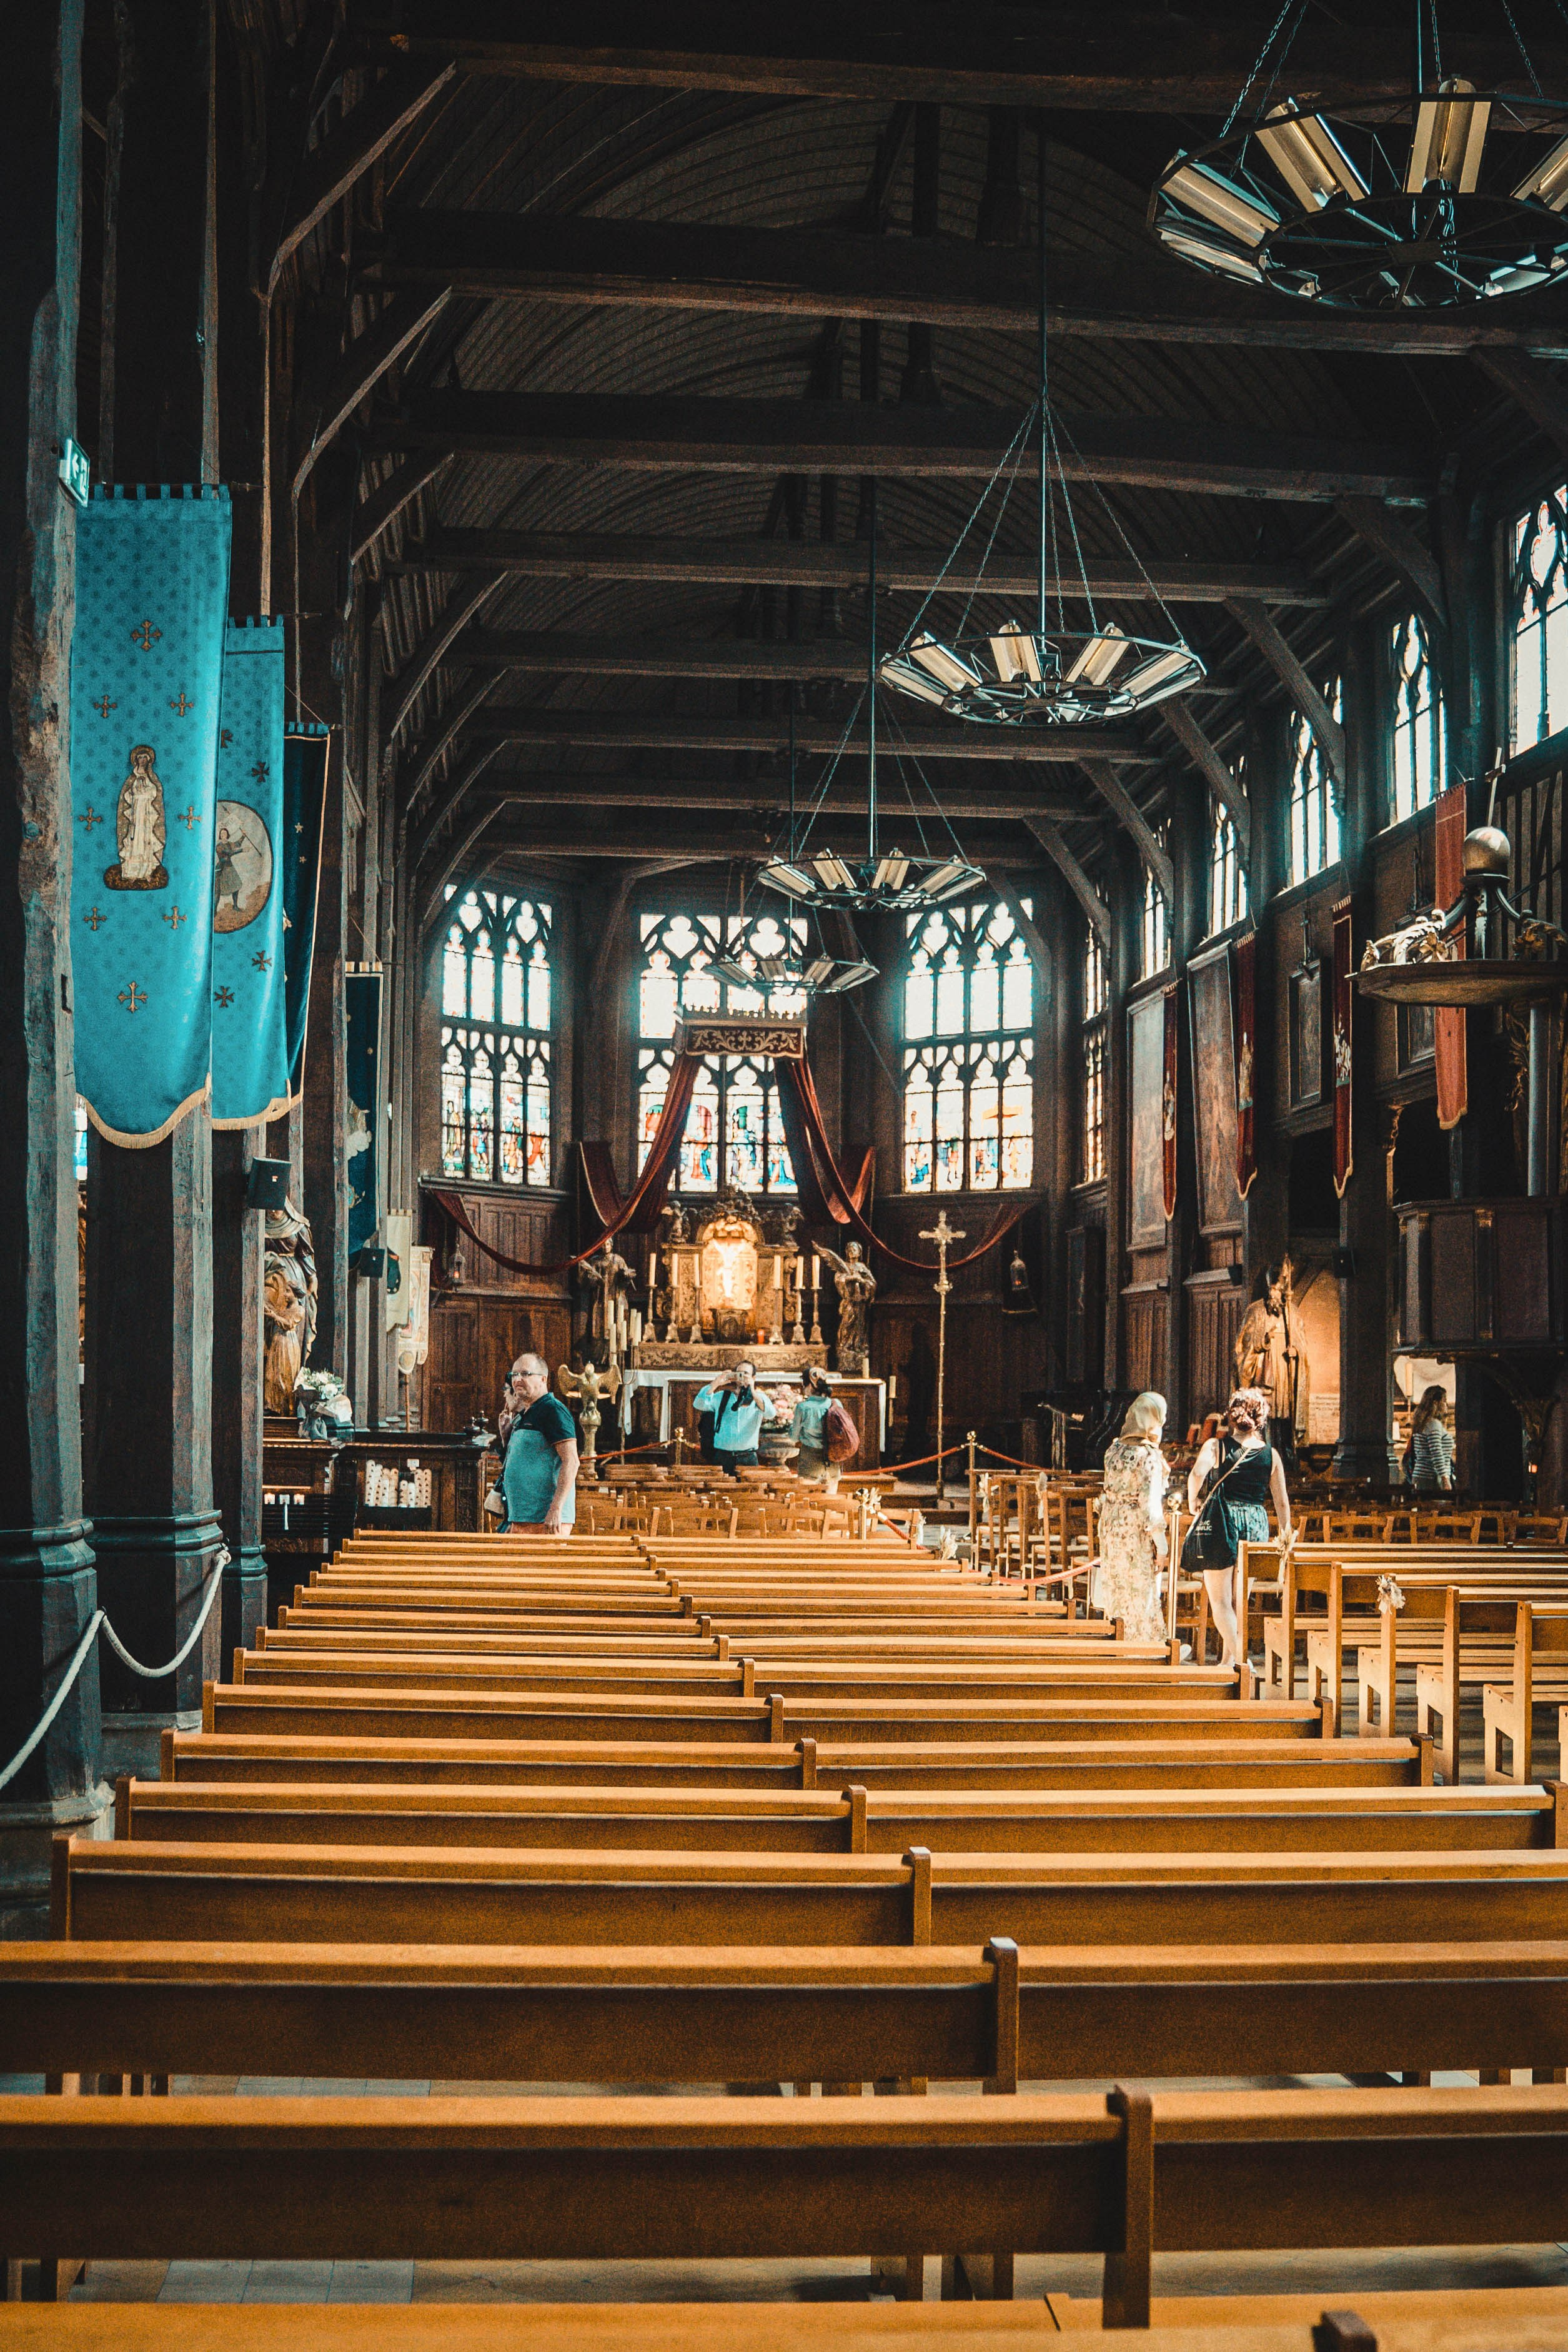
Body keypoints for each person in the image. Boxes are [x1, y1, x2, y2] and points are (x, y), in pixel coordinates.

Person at [1186, 1386, 1293, 1672]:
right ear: (1261, 1420)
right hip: (1256, 1523)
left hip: (1223, 1520)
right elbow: (1281, 1503)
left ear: (1231, 1418)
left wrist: (1193, 1501)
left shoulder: (1215, 1447)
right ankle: (1227, 1661)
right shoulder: (1272, 1455)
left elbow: (1197, 1474)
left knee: (1220, 1602)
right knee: (1238, 1601)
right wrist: (1285, 1538)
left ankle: (1243, 1662)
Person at [1095, 1392, 1170, 1644]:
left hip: (1111, 1526)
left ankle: (1119, 1644)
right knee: (1142, 1593)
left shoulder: (1113, 1450)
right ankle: (1145, 1648)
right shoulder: (1149, 1457)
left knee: (1117, 1591)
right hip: (1135, 1531)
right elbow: (1150, 1506)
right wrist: (1162, 1546)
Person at [499, 1352, 580, 1533]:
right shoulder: (528, 1412)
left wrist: (556, 1509)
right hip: (522, 1517)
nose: (518, 1379)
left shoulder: (553, 1410)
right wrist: (507, 1437)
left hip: (545, 1520)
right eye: (514, 1375)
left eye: (525, 1374)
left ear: (543, 1379)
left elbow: (572, 1461)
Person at [691, 1361, 778, 1470]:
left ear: (753, 1378)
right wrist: (715, 1383)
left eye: (745, 1373)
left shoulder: (759, 1398)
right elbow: (698, 1404)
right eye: (738, 1373)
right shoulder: (722, 1396)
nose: (741, 1377)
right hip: (722, 1456)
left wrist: (752, 1390)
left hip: (748, 1457)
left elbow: (771, 1414)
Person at [789, 1367, 836, 1486]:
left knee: (809, 1500)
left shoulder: (803, 1407)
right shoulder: (836, 1404)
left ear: (810, 1386)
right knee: (831, 1501)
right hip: (833, 1459)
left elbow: (794, 1438)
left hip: (810, 1460)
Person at [1410, 1384, 1456, 1493]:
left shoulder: (1424, 1422)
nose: (1446, 1405)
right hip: (1432, 1478)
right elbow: (1437, 1453)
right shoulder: (1433, 1424)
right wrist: (1445, 1479)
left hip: (1422, 1476)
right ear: (1436, 1403)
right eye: (1444, 1401)